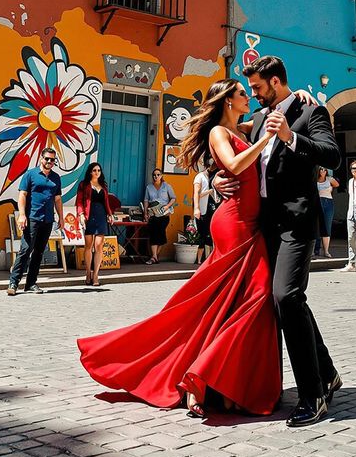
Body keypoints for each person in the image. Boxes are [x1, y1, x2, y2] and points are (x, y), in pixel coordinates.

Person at [78, 79, 283, 419]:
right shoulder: (220, 131)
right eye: (242, 94)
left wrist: (299, 96)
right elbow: (232, 165)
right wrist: (266, 140)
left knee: (232, 301)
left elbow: (271, 113)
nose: (248, 97)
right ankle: (203, 376)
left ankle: (216, 380)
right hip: (234, 225)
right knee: (252, 297)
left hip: (252, 225)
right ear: (227, 101)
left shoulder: (242, 127)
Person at [209, 56, 342, 426]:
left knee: (286, 296)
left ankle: (312, 395)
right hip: (262, 226)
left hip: (297, 222)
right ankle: (327, 373)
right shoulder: (254, 126)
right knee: (287, 300)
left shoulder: (310, 111)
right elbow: (229, 148)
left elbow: (332, 156)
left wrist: (290, 136)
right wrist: (217, 179)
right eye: (248, 90)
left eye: (257, 88)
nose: (253, 95)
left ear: (277, 81)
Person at [6, 146, 65, 296]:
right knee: (25, 250)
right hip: (32, 217)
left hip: (47, 219)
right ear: (41, 158)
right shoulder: (30, 174)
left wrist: (61, 218)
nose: (49, 162)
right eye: (47, 159)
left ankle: (31, 283)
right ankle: (13, 282)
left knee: (39, 252)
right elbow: (22, 195)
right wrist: (22, 215)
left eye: (52, 160)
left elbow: (57, 199)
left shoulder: (56, 178)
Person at [76, 163, 119, 287]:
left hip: (101, 216)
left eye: (99, 170)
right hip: (89, 216)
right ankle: (87, 273)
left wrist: (110, 214)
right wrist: (81, 214)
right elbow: (79, 201)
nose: (97, 172)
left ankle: (96, 275)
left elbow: (106, 202)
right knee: (88, 245)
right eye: (94, 170)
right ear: (90, 172)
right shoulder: (83, 185)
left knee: (99, 245)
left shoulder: (103, 186)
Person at [144, 169, 177, 265]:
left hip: (164, 214)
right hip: (153, 214)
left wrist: (167, 206)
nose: (156, 176)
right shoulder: (149, 187)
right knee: (153, 234)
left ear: (161, 175)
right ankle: (154, 257)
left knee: (161, 235)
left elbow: (173, 198)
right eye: (154, 175)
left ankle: (154, 257)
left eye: (158, 174)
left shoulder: (167, 186)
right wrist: (145, 213)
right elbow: (146, 200)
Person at [192, 160, 220, 265]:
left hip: (212, 208)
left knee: (210, 234)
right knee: (202, 235)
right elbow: (196, 194)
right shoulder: (200, 177)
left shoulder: (214, 177)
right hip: (203, 209)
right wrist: (196, 208)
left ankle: (209, 259)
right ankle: (199, 260)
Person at [314, 167, 340, 258]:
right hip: (317, 202)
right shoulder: (314, 179)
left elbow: (337, 185)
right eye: (321, 169)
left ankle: (326, 251)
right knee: (316, 226)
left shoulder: (329, 179)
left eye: (325, 170)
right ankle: (315, 250)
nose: (323, 171)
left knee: (327, 226)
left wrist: (331, 182)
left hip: (328, 202)